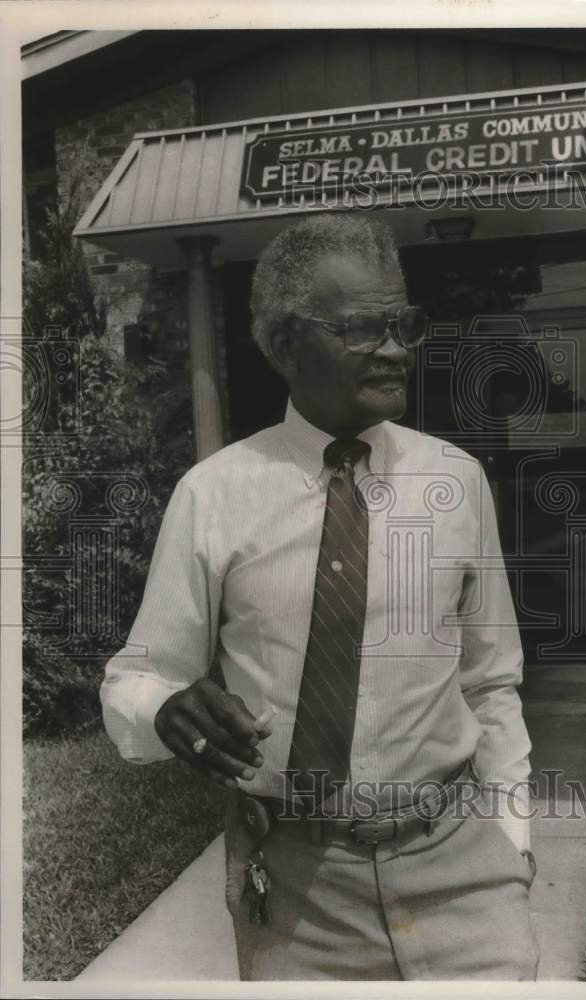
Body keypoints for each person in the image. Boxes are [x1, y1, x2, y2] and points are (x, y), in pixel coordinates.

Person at [101, 213, 539, 981]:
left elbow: (490, 678)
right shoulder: (214, 495)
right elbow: (137, 677)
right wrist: (162, 710)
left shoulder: (457, 482)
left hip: (464, 874)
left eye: (401, 323)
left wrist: (513, 833)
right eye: (363, 329)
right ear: (284, 345)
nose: (397, 347)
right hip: (295, 886)